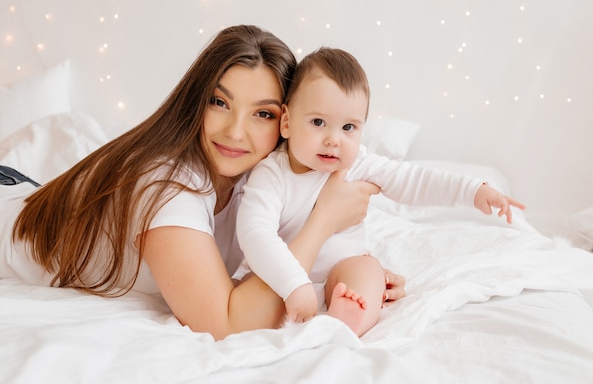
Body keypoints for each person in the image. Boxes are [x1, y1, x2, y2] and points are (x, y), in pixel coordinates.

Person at [0, 25, 406, 341]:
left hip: (28, 190)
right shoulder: (168, 185)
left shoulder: (263, 174)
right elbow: (227, 323)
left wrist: (351, 271)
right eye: (219, 102)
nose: (234, 132)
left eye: (261, 114)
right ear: (197, 100)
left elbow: (281, 254)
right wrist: (324, 220)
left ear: (286, 122)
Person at [235, 47, 526, 337]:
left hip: (342, 267)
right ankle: (312, 309)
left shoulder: (358, 164)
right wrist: (293, 284)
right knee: (254, 277)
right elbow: (255, 234)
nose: (333, 139)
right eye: (318, 122)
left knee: (368, 272)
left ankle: (347, 319)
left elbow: (413, 180)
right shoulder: (272, 174)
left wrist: (472, 190)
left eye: (348, 127)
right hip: (282, 274)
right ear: (287, 122)